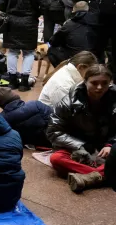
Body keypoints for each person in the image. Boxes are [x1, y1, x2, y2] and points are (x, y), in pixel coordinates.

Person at [47, 64, 116, 192]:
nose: (99, 87)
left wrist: (111, 144)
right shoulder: (67, 102)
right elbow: (53, 132)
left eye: (104, 83)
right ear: (85, 82)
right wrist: (80, 145)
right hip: (78, 147)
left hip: (105, 146)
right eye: (94, 83)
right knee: (56, 159)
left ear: (110, 83)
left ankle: (90, 177)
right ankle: (104, 175)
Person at [0, 0, 50, 91]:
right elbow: (46, 4)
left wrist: (10, 11)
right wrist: (37, 12)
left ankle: (12, 81)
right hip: (30, 23)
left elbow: (0, 4)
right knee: (28, 53)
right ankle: (24, 82)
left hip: (12, 23)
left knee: (12, 52)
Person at [48, 1, 96, 66]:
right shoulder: (97, 23)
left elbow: (53, 41)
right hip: (94, 58)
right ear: (88, 9)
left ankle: (64, 70)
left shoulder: (69, 24)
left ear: (73, 11)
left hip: (74, 59)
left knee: (52, 50)